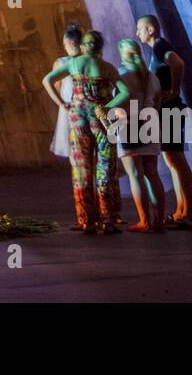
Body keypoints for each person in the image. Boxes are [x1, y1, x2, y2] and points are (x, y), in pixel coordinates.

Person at [43, 25, 128, 234]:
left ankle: (86, 220)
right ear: (99, 47)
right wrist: (107, 106)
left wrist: (63, 103)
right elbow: (125, 92)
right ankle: (107, 218)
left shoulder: (74, 64)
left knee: (81, 168)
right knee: (106, 166)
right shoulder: (108, 68)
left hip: (78, 120)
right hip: (102, 120)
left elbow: (47, 80)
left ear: (83, 46)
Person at [136, 14, 192, 229]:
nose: (138, 34)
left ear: (151, 30)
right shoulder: (157, 49)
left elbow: (178, 62)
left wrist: (173, 89)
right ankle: (181, 211)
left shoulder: (160, 46)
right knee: (173, 162)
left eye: (140, 29)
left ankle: (189, 213)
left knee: (177, 161)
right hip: (166, 111)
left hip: (169, 111)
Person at [114, 39, 165, 233]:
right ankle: (159, 221)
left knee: (135, 175)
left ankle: (144, 220)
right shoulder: (152, 77)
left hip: (129, 126)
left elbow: (116, 104)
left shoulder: (121, 76)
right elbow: (158, 103)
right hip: (150, 124)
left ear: (122, 56)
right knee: (153, 173)